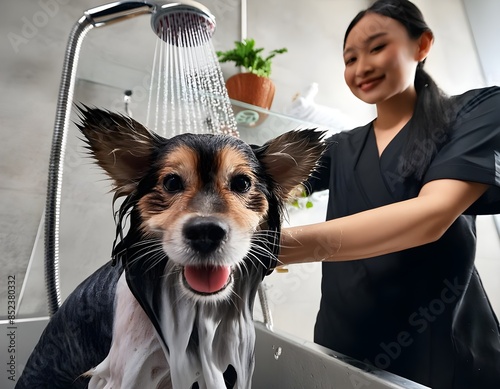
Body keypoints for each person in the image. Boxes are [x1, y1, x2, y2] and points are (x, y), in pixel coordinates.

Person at [278, 0, 500, 387]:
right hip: (342, 342)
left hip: (441, 348)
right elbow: (276, 186)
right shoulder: (340, 147)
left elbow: (430, 216)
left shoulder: (475, 111)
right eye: (349, 58)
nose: (361, 67)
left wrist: (271, 247)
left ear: (422, 45)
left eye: (377, 48)